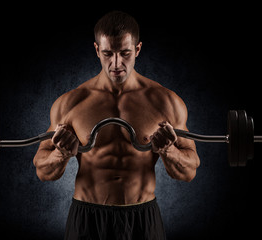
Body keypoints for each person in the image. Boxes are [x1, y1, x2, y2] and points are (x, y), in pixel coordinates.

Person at [33, 11, 200, 240]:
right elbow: (42, 170)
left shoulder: (165, 102)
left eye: (125, 53)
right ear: (96, 50)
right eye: (107, 53)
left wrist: (168, 150)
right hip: (86, 217)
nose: (116, 63)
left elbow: (189, 171)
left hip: (143, 217)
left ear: (138, 50)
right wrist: (61, 154)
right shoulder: (71, 103)